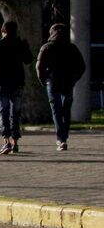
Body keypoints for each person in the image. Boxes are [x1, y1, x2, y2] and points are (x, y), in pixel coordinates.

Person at [0, 19, 32, 155]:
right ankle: (15, 141)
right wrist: (24, 46)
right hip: (17, 82)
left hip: (0, 82)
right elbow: (28, 59)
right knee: (15, 112)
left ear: (3, 31)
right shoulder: (20, 45)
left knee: (3, 110)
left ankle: (6, 140)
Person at [36, 22, 86, 152]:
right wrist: (74, 78)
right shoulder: (71, 48)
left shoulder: (46, 47)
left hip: (52, 82)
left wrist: (43, 80)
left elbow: (39, 66)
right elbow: (81, 66)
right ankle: (64, 136)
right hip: (68, 82)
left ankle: (61, 138)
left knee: (56, 110)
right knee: (66, 109)